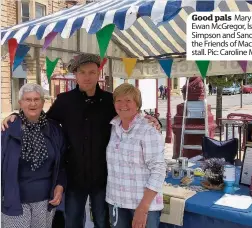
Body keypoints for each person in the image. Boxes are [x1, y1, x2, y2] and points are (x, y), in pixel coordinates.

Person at [2, 54, 161, 228]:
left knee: (102, 221)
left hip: (104, 178)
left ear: (98, 74)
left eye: (92, 72)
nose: (87, 77)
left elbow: (130, 111)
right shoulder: (64, 100)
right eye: (83, 72)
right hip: (74, 177)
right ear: (76, 75)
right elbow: (41, 120)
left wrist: (153, 119)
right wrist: (17, 116)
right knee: (73, 222)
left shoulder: (110, 100)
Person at [1, 83, 66, 227]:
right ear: (20, 103)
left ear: (43, 102)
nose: (33, 103)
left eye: (37, 99)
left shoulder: (54, 130)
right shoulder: (8, 129)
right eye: (28, 99)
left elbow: (62, 163)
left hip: (45, 200)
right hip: (15, 200)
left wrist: (60, 186)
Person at [106, 83, 166, 228]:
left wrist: (143, 208)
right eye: (118, 100)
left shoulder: (148, 129)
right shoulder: (114, 127)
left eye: (128, 100)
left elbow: (158, 170)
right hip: (116, 201)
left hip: (142, 204)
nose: (123, 105)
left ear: (137, 104)